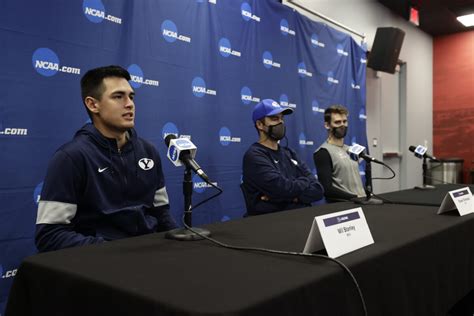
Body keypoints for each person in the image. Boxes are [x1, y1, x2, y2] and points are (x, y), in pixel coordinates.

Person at [35, 65, 177, 252]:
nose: (129, 104)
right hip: (101, 263)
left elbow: (161, 213)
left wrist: (178, 242)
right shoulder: (71, 157)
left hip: (150, 256)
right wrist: (115, 250)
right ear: (93, 104)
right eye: (118, 97)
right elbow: (50, 235)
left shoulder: (148, 152)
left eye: (131, 96)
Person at [242, 99, 324, 216]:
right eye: (274, 119)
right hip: (270, 224)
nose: (280, 123)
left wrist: (289, 196)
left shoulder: (290, 153)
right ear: (260, 125)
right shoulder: (255, 155)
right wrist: (305, 182)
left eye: (282, 118)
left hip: (300, 218)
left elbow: (318, 190)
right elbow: (282, 189)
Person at [313, 105, 366, 202]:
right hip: (343, 206)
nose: (342, 125)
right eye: (337, 122)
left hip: (361, 202)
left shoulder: (351, 149)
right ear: (327, 125)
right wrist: (354, 197)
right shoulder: (323, 152)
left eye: (344, 121)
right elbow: (326, 189)